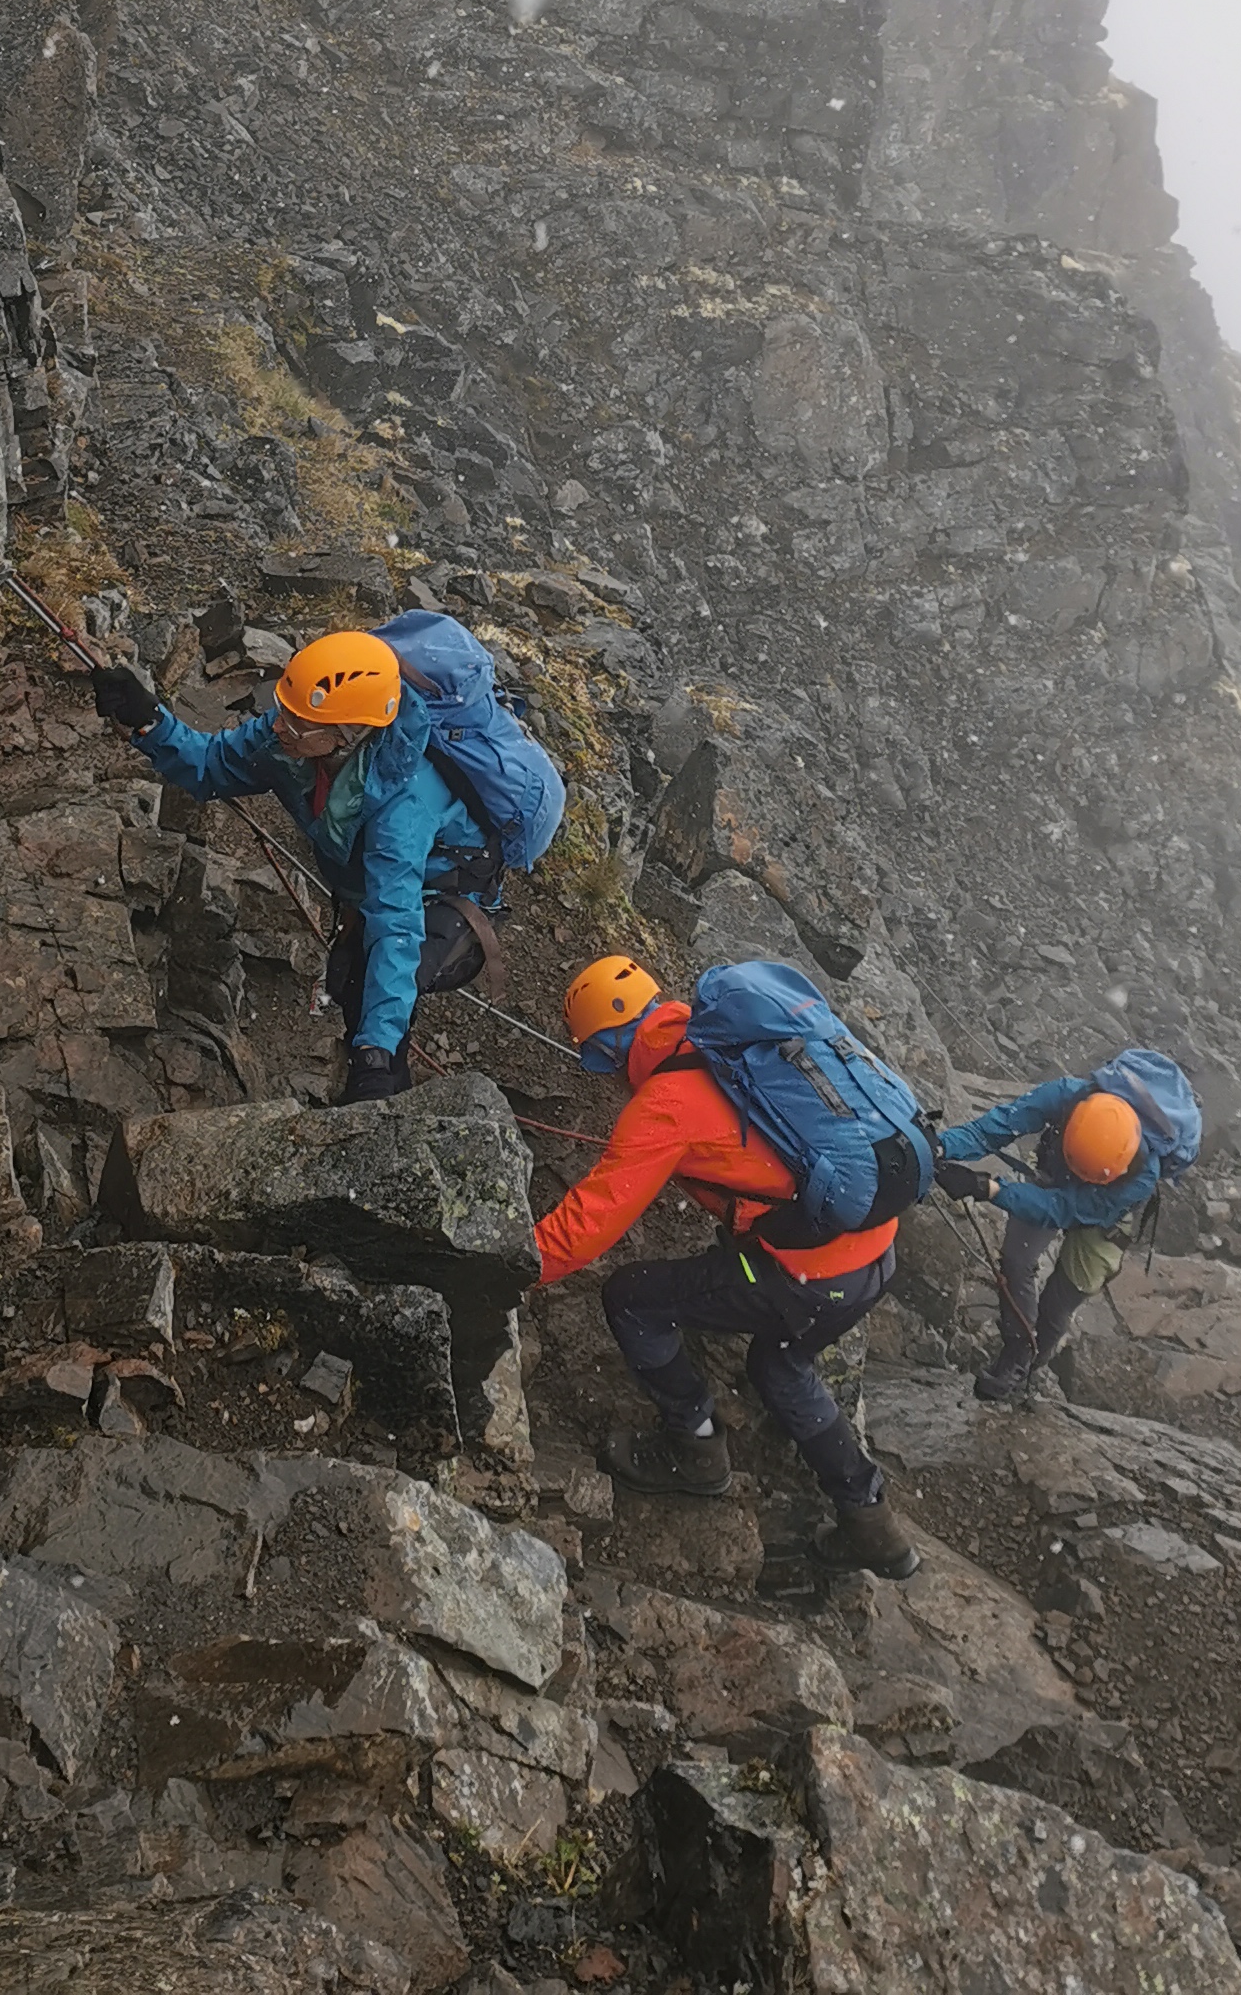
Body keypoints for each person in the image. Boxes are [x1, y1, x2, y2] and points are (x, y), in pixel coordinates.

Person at [531, 953, 919, 1578]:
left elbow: (588, 1225)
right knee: (780, 1365)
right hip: (871, 1250)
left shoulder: (664, 1106)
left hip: (804, 1275)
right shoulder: (727, 1039)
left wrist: (511, 1264)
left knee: (632, 1299)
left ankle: (696, 1446)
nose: (604, 1076)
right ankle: (871, 1524)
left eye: (598, 1060)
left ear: (608, 1047)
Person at [91, 628, 495, 1100]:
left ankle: (386, 1090)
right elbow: (214, 764)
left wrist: (376, 1053)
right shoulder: (292, 733)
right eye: (285, 711)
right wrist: (147, 720)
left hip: (441, 901)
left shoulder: (403, 810)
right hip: (367, 889)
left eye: (299, 724)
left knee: (371, 987)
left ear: (350, 734)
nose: (280, 726)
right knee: (348, 986)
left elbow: (397, 929)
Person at [932, 1074, 1164, 1402]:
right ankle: (1018, 1353)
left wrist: (989, 1188)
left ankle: (1030, 1365)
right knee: (1016, 1260)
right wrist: (940, 1146)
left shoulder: (1141, 1174)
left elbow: (1063, 1209)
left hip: (1104, 1215)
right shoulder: (1063, 1096)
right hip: (1053, 1175)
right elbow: (993, 1130)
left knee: (1060, 1302)